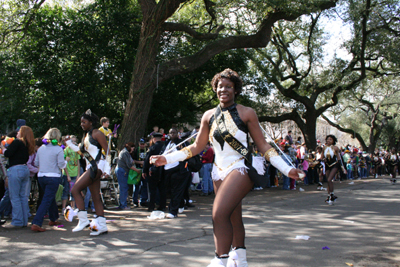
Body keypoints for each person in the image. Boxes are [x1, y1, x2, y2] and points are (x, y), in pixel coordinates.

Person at [150, 69, 304, 266]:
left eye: (228, 86)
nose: (223, 89)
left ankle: (220, 259)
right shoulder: (208, 116)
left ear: (236, 90)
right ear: (215, 88)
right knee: (232, 215)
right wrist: (167, 158)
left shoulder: (247, 113)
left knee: (218, 213)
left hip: (240, 168)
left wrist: (287, 169)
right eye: (220, 86)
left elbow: (264, 146)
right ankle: (240, 258)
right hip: (218, 171)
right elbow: (196, 146)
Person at [64, 109, 110, 236]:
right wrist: (68, 143)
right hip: (92, 167)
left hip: (96, 167)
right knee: (96, 197)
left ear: (91, 122)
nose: (82, 124)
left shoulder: (97, 133)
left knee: (75, 190)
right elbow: (82, 153)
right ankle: (102, 225)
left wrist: (107, 169)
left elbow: (107, 151)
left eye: (84, 122)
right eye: (81, 122)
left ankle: (83, 220)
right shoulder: (86, 136)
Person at [31, 128, 65, 232]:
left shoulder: (41, 148)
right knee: (47, 199)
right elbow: (61, 165)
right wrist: (66, 162)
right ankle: (36, 222)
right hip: (53, 177)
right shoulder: (59, 149)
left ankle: (53, 218)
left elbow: (36, 163)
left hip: (41, 176)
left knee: (49, 197)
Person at [1, 126, 35, 229]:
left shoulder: (17, 142)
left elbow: (8, 153)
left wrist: (2, 147)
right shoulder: (27, 145)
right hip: (25, 170)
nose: (17, 133)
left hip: (15, 170)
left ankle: (17, 221)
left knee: (14, 196)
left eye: (19, 131)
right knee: (23, 197)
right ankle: (24, 220)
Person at [142, 132, 167, 212]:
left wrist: (145, 170)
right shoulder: (165, 147)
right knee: (162, 189)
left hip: (153, 171)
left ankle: (151, 206)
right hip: (163, 170)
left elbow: (147, 160)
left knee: (152, 190)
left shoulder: (152, 147)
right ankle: (162, 206)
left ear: (154, 139)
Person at [320, 135, 346, 205]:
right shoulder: (324, 148)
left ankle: (331, 195)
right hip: (327, 165)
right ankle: (330, 195)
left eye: (330, 139)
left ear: (333, 141)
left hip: (334, 164)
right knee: (328, 181)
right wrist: (322, 160)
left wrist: (343, 168)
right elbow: (321, 157)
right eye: (328, 139)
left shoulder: (335, 148)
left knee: (329, 179)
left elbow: (339, 158)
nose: (328, 140)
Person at [116, 142, 141, 209]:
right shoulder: (125, 153)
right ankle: (123, 205)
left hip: (123, 171)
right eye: (132, 148)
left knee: (124, 188)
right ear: (130, 147)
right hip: (122, 171)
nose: (133, 150)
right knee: (123, 188)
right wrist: (136, 170)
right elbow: (129, 165)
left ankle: (123, 203)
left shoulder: (126, 153)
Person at [62, 135, 81, 211]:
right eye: (71, 141)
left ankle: (73, 207)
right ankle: (63, 207)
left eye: (74, 141)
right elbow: (64, 164)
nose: (73, 142)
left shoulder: (77, 151)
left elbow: (78, 163)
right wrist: (67, 175)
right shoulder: (66, 150)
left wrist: (78, 175)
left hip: (75, 173)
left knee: (73, 191)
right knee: (65, 190)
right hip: (67, 174)